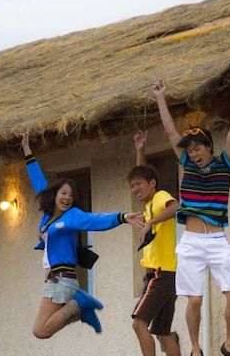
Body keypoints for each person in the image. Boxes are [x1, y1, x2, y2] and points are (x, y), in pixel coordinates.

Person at [152, 77, 230, 356]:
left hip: (218, 240)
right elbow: (170, 131)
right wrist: (160, 98)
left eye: (197, 147)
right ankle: (196, 350)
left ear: (209, 146)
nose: (193, 153)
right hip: (192, 242)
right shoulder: (187, 164)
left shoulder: (226, 163)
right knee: (194, 300)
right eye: (190, 149)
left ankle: (229, 344)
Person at [22, 130, 142, 338]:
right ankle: (83, 310)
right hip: (56, 279)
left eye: (71, 195)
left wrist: (122, 217)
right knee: (42, 330)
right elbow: (39, 183)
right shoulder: (48, 216)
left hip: (62, 279)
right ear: (55, 194)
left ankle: (81, 303)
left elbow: (95, 220)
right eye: (63, 193)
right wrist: (27, 151)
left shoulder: (72, 217)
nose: (67, 198)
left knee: (40, 331)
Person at [130, 130, 194, 356]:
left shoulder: (160, 199)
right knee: (164, 333)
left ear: (152, 184)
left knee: (138, 323)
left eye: (139, 185)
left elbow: (175, 206)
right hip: (169, 276)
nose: (135, 189)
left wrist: (149, 223)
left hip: (160, 275)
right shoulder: (148, 201)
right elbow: (144, 177)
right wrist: (140, 150)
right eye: (132, 186)